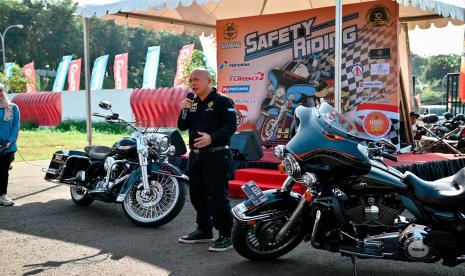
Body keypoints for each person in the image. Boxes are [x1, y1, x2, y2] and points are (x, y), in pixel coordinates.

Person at [177, 68, 237, 252]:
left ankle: (227, 235)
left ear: (209, 80)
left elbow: (231, 126)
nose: (193, 84)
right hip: (195, 157)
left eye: (196, 79)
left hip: (217, 154)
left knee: (218, 196)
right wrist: (183, 110)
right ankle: (204, 230)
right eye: (190, 81)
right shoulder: (192, 102)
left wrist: (212, 138)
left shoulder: (222, 100)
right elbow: (182, 126)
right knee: (197, 195)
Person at [0, 83, 20, 206]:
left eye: (0, 91)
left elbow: (16, 126)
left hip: (8, 147)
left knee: (3, 171)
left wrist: (10, 141)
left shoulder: (13, 108)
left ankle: (3, 196)